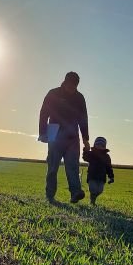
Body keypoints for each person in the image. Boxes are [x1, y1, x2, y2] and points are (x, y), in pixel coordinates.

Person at [39, 71, 90, 204]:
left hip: (72, 133)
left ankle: (75, 193)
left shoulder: (80, 98)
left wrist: (85, 138)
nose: (72, 89)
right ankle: (50, 195)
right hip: (54, 131)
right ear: (65, 82)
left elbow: (83, 118)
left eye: (75, 86)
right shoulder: (53, 93)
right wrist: (42, 132)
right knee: (53, 166)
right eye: (70, 85)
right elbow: (44, 113)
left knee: (73, 165)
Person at [82, 136, 114, 205]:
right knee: (93, 189)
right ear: (94, 145)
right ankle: (92, 201)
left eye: (102, 145)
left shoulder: (106, 157)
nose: (99, 146)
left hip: (102, 177)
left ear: (104, 146)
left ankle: (93, 199)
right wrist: (85, 150)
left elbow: (109, 167)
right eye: (98, 144)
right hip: (92, 176)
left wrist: (111, 177)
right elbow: (85, 157)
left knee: (100, 191)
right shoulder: (92, 154)